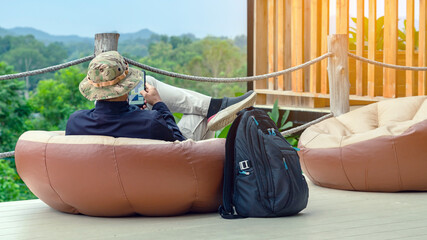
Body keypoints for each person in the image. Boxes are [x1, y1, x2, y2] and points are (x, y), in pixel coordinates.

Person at [66, 51, 256, 141]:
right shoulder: (151, 120)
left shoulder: (75, 122)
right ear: (126, 86)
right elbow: (178, 145)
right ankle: (213, 108)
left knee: (150, 85)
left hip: (121, 164)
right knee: (200, 115)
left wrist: (135, 111)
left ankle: (215, 106)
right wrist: (157, 104)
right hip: (167, 166)